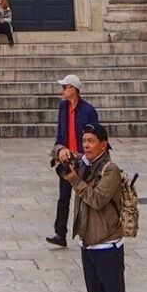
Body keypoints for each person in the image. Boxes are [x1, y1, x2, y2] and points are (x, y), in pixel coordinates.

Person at [57, 125, 140, 292]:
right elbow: (54, 152)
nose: (87, 144)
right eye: (84, 140)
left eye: (91, 141)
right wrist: (61, 152)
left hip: (107, 246)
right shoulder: (85, 164)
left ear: (104, 144)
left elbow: (96, 199)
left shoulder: (110, 171)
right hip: (88, 245)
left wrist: (73, 179)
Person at [48, 75, 100, 247]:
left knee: (84, 198)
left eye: (65, 87)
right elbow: (60, 132)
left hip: (82, 160)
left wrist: (88, 157)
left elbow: (94, 137)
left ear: (73, 89)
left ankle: (88, 234)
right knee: (63, 197)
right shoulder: (63, 107)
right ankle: (60, 234)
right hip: (66, 159)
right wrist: (60, 149)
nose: (62, 91)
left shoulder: (88, 110)